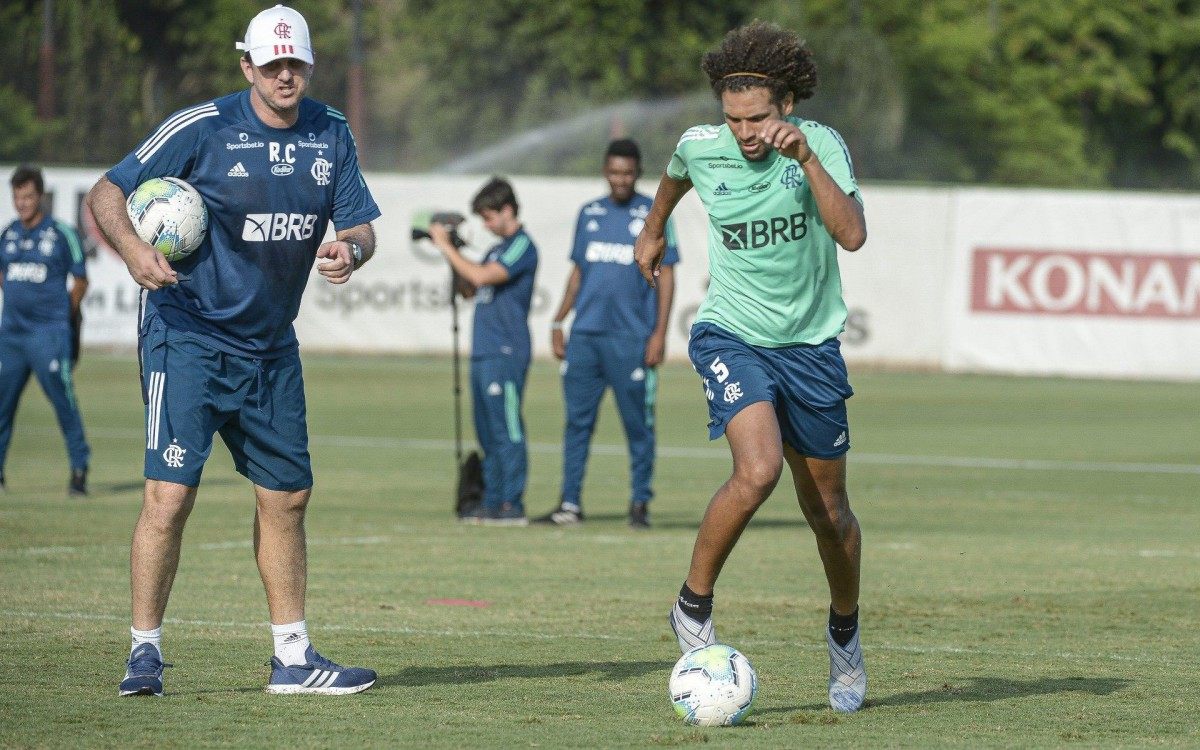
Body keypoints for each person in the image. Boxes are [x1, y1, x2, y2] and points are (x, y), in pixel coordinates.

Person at [86, 4, 379, 697]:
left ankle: (293, 659)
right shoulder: (204, 126)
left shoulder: (330, 132)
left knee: (287, 496)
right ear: (246, 64)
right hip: (187, 334)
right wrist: (133, 251)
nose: (284, 74)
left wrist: (351, 251)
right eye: (271, 63)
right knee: (169, 495)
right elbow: (107, 192)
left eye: (295, 63)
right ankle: (145, 655)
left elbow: (362, 225)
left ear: (309, 65)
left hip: (271, 347)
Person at [633, 21, 870, 712]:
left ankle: (845, 637)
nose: (744, 132)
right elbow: (674, 181)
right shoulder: (700, 148)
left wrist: (807, 163)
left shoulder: (820, 145)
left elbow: (852, 235)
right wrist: (652, 234)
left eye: (758, 117)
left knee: (830, 512)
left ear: (787, 106)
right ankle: (691, 604)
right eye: (733, 117)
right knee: (758, 468)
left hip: (812, 348)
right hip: (730, 334)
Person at [532, 139, 679, 529]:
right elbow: (579, 272)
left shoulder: (653, 213)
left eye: (628, 173)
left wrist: (659, 333)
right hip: (586, 338)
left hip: (631, 339)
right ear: (605, 171)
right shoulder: (589, 213)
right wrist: (559, 319)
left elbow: (667, 278)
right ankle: (569, 504)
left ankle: (639, 504)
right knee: (577, 424)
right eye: (614, 172)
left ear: (638, 173)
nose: (621, 179)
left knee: (638, 426)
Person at [428, 177, 538, 526]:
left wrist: (446, 246)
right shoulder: (495, 248)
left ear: (508, 210)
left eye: (490, 217)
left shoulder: (522, 245)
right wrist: (454, 254)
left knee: (507, 428)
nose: (487, 225)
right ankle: (492, 500)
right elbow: (469, 288)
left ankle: (512, 503)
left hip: (506, 350)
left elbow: (483, 277)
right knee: (488, 431)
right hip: (484, 351)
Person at [0, 165, 91, 495]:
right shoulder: (8, 234)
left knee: (64, 403)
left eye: (27, 196)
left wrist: (62, 318)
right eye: (17, 197)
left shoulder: (62, 234)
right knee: (2, 407)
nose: (22, 203)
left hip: (49, 336)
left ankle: (79, 471)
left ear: (39, 196)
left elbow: (80, 280)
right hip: (10, 335)